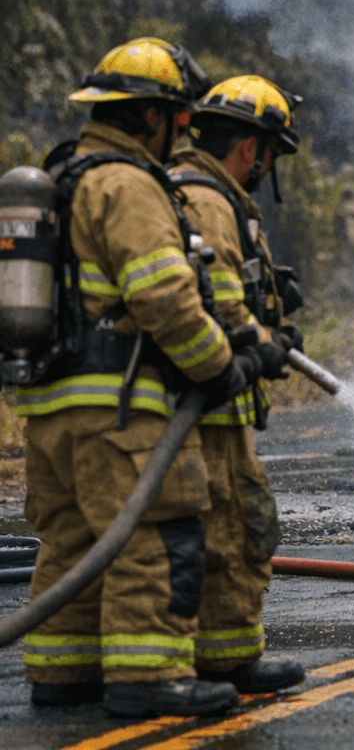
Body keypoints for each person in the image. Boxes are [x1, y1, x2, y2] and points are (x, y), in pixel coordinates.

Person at [18, 38, 288, 717]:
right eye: (174, 116)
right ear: (150, 116)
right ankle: (150, 679)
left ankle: (64, 674)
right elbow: (164, 296)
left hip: (52, 408)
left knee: (73, 543)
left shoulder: (66, 175)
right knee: (154, 538)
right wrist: (221, 365)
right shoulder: (129, 185)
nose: (180, 131)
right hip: (119, 409)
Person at [168, 76, 306, 695]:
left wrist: (272, 300)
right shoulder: (210, 199)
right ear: (250, 149)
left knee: (228, 528)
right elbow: (221, 304)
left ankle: (227, 656)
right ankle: (220, 662)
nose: (266, 166)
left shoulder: (197, 193)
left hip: (208, 397)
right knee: (231, 529)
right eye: (270, 152)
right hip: (211, 399)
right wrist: (266, 344)